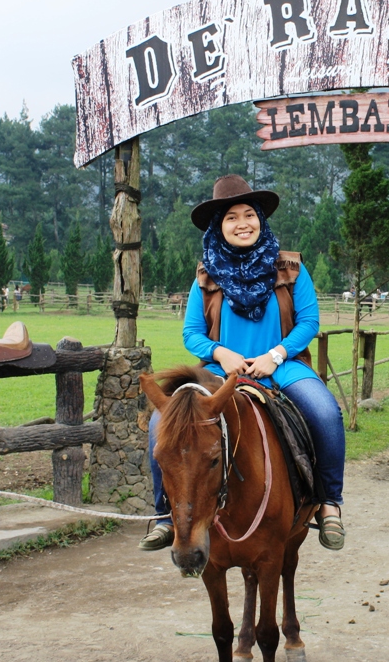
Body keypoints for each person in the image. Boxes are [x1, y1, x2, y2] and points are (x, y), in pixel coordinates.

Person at [140, 175, 346, 553]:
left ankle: (329, 502)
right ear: (220, 227)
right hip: (220, 372)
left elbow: (309, 321)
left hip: (282, 364)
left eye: (249, 214)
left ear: (261, 221)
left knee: (326, 412)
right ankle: (165, 515)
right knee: (160, 422)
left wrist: (275, 355)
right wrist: (221, 354)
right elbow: (192, 333)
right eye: (231, 217)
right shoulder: (205, 275)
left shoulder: (291, 268)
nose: (242, 223)